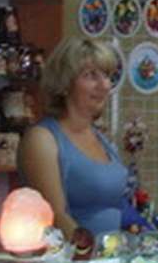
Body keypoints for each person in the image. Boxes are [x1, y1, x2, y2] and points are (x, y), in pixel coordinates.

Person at [19, 36, 144, 249]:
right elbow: (56, 218)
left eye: (106, 75)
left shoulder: (100, 139)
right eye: (90, 75)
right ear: (64, 84)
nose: (104, 85)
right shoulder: (42, 139)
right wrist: (95, 255)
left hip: (110, 260)